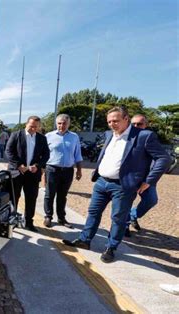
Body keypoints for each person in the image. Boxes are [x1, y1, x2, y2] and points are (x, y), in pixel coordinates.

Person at [63, 107, 170, 263]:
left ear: (126, 119)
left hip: (123, 186)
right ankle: (85, 240)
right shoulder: (109, 134)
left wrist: (149, 181)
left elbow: (163, 159)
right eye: (109, 121)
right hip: (102, 182)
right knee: (93, 212)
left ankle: (111, 248)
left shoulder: (143, 136)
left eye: (115, 121)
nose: (112, 124)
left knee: (118, 218)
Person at [5, 116, 50, 232]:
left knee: (31, 198)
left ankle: (29, 222)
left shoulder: (41, 138)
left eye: (36, 127)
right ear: (26, 124)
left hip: (33, 174)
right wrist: (19, 165)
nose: (33, 129)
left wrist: (38, 166)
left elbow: (46, 155)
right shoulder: (16, 135)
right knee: (13, 197)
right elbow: (9, 151)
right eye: (31, 126)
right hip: (17, 172)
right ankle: (11, 220)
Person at [44, 114, 83, 229]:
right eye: (59, 123)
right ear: (56, 123)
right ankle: (48, 216)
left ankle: (61, 218)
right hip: (52, 169)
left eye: (64, 123)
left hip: (68, 171)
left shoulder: (74, 137)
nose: (62, 125)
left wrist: (79, 170)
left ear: (69, 124)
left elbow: (78, 154)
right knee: (49, 194)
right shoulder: (48, 136)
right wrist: (42, 171)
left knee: (62, 195)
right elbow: (43, 154)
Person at [125, 114, 158, 235]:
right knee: (126, 201)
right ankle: (125, 225)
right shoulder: (126, 137)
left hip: (146, 178)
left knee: (151, 200)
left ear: (146, 125)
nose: (136, 126)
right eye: (133, 124)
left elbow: (159, 158)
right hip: (129, 177)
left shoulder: (150, 137)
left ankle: (133, 216)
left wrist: (150, 179)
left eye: (139, 124)